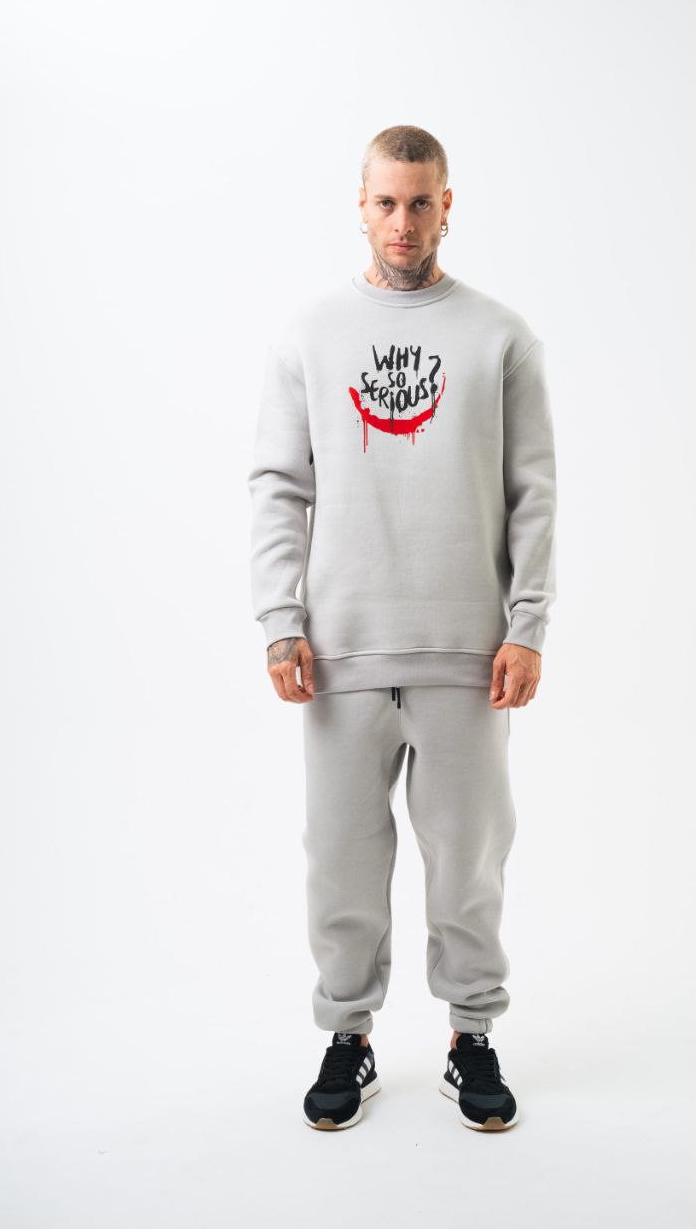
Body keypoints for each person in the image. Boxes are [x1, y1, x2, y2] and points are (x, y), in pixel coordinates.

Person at [247, 124, 557, 1132]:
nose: (403, 221)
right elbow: (279, 484)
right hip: (339, 650)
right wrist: (281, 618)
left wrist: (527, 624)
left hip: (468, 651)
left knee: (469, 858)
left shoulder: (499, 337)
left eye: (421, 202)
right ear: (361, 204)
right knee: (340, 858)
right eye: (386, 201)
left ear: (447, 205)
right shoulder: (310, 334)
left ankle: (471, 1034)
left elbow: (533, 492)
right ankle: (349, 1033)